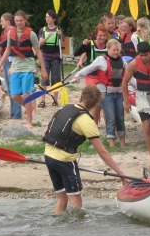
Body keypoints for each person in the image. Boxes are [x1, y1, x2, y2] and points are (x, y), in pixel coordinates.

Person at [43, 85, 128, 215]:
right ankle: (77, 230)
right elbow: (102, 152)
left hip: (48, 156)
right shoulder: (87, 121)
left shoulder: (64, 108)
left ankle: (56, 225)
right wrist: (120, 173)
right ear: (96, 104)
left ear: (81, 96)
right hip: (65, 161)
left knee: (62, 197)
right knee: (75, 198)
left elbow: (47, 131)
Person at [0, 10, 48, 129]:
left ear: (25, 21)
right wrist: (0, 64)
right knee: (14, 95)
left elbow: (38, 51)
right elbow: (8, 50)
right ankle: (29, 107)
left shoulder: (31, 34)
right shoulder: (10, 33)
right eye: (17, 21)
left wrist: (43, 69)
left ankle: (29, 121)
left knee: (26, 95)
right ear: (14, 21)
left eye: (21, 21)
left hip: (28, 67)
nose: (19, 23)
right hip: (15, 66)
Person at [74, 39, 127, 147]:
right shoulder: (101, 60)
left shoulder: (123, 61)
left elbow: (128, 78)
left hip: (119, 93)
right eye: (114, 50)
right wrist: (78, 75)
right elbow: (89, 69)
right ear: (108, 49)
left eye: (118, 50)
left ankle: (122, 141)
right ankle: (111, 141)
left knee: (120, 118)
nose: (116, 52)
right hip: (106, 94)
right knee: (110, 117)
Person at [74, 24, 109, 124]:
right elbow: (76, 53)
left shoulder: (109, 45)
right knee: (94, 101)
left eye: (104, 35)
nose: (102, 38)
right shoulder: (90, 44)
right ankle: (94, 124)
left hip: (104, 76)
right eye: (100, 35)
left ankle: (106, 125)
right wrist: (84, 45)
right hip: (91, 76)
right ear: (95, 35)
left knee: (104, 101)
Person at [0, 13, 22, 119]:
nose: (0, 22)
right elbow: (3, 50)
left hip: (13, 62)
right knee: (9, 89)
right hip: (6, 62)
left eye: (2, 20)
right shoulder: (4, 32)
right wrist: (1, 64)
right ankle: (13, 112)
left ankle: (17, 113)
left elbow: (9, 47)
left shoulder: (12, 32)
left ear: (7, 21)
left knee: (14, 88)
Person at [38, 10, 64, 108]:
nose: (47, 19)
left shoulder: (59, 29)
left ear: (53, 19)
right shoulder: (43, 30)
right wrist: (47, 37)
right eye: (46, 17)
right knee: (44, 78)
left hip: (56, 57)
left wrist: (60, 35)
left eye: (49, 17)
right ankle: (43, 100)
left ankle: (55, 100)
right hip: (45, 57)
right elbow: (39, 43)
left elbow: (62, 44)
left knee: (56, 79)